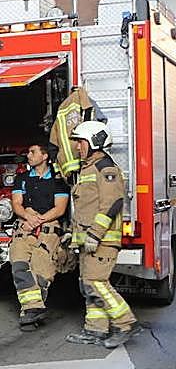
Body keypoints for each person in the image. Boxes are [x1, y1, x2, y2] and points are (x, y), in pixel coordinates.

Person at [63, 121, 138, 348]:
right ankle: (96, 330)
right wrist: (73, 235)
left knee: (97, 283)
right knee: (88, 284)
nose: (77, 147)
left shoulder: (105, 168)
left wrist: (95, 234)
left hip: (102, 241)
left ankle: (126, 323)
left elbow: (112, 203)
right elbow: (86, 208)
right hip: (88, 241)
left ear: (95, 142)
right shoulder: (87, 168)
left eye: (81, 142)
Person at [8, 143, 69, 330]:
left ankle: (29, 312)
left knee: (41, 270)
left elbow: (60, 209)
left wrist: (38, 220)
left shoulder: (58, 181)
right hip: (25, 226)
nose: (28, 155)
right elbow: (16, 203)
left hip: (48, 229)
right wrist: (27, 216)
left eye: (32, 152)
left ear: (44, 156)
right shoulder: (22, 179)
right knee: (18, 264)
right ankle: (33, 310)